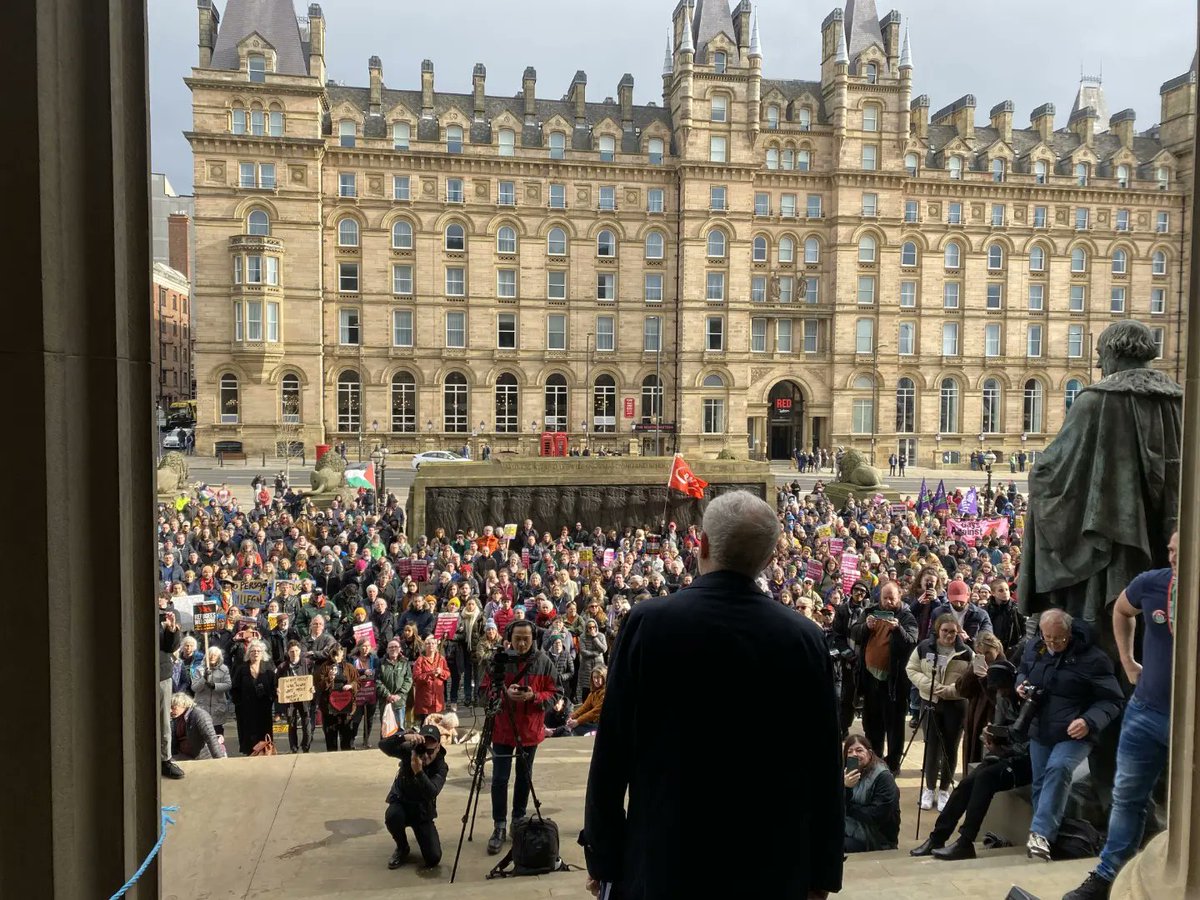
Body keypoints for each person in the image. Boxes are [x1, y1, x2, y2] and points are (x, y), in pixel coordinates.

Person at [584, 491, 843, 898]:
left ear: (701, 544)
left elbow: (612, 751)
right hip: (770, 865)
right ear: (771, 556)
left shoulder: (647, 623)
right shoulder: (805, 637)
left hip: (666, 858)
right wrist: (823, 873)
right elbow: (825, 760)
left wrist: (603, 856)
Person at [1019, 321, 1181, 623]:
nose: (1098, 363)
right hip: (1168, 534)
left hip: (1112, 535)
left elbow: (1053, 473)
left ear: (1114, 352)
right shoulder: (1180, 400)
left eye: (1100, 353)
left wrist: (1038, 473)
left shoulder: (1095, 400)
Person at [1064, 533, 1177, 900]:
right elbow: (1122, 610)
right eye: (1171, 549)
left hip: (1187, 721)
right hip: (1145, 712)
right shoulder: (1152, 583)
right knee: (1127, 795)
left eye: (1181, 550)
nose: (1173, 556)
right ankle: (1108, 874)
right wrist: (1128, 663)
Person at [1016, 609, 1124, 860]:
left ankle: (1041, 832)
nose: (1052, 644)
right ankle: (1045, 838)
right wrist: (1020, 685)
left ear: (1069, 633)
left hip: (1075, 732)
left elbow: (1113, 700)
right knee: (1041, 782)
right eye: (1047, 638)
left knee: (1060, 768)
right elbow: (1022, 670)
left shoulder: (1094, 659)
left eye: (1058, 639)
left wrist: (1088, 721)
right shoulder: (1035, 646)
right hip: (1040, 727)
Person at [910, 658, 1031, 861]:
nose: (1000, 693)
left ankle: (966, 841)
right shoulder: (1002, 697)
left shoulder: (1027, 702)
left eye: (1003, 689)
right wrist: (992, 738)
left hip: (1025, 760)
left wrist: (1006, 745)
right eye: (997, 690)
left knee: (985, 779)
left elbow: (1027, 739)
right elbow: (1000, 728)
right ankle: (937, 837)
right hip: (1005, 755)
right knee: (966, 783)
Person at [484, 619, 561, 856]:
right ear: (509, 638)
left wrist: (534, 697)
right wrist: (502, 693)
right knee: (499, 778)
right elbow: (483, 691)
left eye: (526, 638)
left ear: (533, 639)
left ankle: (518, 818)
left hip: (530, 729)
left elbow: (556, 692)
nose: (521, 642)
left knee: (524, 776)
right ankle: (499, 824)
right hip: (502, 729)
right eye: (517, 638)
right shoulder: (499, 661)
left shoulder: (543, 662)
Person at [906, 613, 974, 811]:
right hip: (931, 702)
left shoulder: (966, 652)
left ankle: (944, 789)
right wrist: (930, 685)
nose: (949, 635)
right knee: (932, 747)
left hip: (956, 704)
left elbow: (971, 680)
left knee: (950, 748)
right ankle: (928, 788)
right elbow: (912, 669)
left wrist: (952, 689)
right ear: (938, 630)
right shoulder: (924, 647)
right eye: (945, 631)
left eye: (953, 631)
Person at [851, 581, 919, 773]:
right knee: (872, 725)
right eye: (885, 598)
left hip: (894, 684)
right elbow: (855, 632)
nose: (888, 602)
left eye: (892, 598)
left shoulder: (907, 617)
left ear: (899, 598)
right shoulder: (870, 611)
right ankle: (874, 761)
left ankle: (893, 765)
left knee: (895, 727)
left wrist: (898, 629)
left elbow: (912, 641)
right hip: (870, 680)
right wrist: (866, 626)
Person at [379, 724, 449, 871]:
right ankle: (402, 847)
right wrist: (404, 736)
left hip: (422, 811)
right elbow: (383, 745)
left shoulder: (441, 766)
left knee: (433, 858)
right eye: (423, 749)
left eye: (431, 751)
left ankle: (420, 837)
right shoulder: (409, 751)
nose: (426, 756)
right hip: (402, 803)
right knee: (392, 815)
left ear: (438, 748)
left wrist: (419, 772)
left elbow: (432, 792)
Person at [843, 734, 900, 853]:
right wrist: (846, 787)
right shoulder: (846, 774)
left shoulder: (883, 777)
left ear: (869, 753)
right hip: (849, 828)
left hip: (875, 838)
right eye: (850, 751)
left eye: (859, 750)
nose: (854, 754)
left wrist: (848, 808)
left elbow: (877, 815)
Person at [230, 639, 277, 756]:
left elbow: (274, 686)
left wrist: (272, 697)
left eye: (258, 651)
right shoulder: (241, 669)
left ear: (262, 653)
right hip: (246, 708)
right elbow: (234, 688)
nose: (256, 653)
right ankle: (250, 752)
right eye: (253, 651)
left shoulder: (268, 669)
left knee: (264, 730)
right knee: (248, 732)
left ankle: (264, 751)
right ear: (248, 653)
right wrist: (238, 703)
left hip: (264, 707)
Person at [315, 643, 359, 751]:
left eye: (337, 654)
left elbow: (358, 682)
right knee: (331, 737)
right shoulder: (324, 667)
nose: (335, 657)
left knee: (346, 737)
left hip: (346, 706)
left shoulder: (349, 667)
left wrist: (351, 685)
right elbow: (319, 685)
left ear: (342, 654)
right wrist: (329, 678)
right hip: (329, 708)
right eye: (333, 654)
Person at [160, 609, 184, 778]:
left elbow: (171, 647)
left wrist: (171, 629)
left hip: (161, 676)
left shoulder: (161, 619)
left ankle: (164, 760)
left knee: (163, 722)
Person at [276, 641, 312, 753]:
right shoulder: (282, 667)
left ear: (300, 651)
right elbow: (276, 682)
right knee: (291, 724)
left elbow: (313, 679)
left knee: (306, 723)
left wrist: (313, 688)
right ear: (288, 652)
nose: (294, 653)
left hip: (304, 698)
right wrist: (277, 689)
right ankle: (293, 747)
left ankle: (306, 746)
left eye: (296, 651)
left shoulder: (308, 663)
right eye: (292, 651)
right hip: (289, 700)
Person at [168, 693, 227, 761]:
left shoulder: (199, 715)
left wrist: (220, 760)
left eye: (173, 707)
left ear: (183, 705)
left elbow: (210, 738)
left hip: (204, 757)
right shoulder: (174, 719)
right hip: (185, 756)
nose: (170, 711)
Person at [190, 646, 232, 737]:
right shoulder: (199, 669)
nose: (212, 657)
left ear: (219, 657)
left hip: (217, 707)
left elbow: (228, 685)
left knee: (218, 735)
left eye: (215, 655)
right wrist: (203, 678)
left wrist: (215, 686)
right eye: (210, 655)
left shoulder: (224, 669)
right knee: (202, 733)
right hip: (202, 706)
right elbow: (194, 688)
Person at [412, 635, 450, 724]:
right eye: (428, 643)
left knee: (438, 726)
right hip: (424, 700)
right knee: (426, 725)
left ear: (436, 645)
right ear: (425, 646)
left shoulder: (441, 659)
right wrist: (430, 674)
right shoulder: (420, 660)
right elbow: (416, 677)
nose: (431, 645)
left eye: (433, 643)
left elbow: (447, 674)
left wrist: (441, 672)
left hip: (437, 700)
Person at [379, 638, 414, 730]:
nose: (393, 649)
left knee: (400, 728)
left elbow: (408, 679)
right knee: (386, 728)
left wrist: (400, 694)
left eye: (395, 647)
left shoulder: (405, 663)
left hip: (400, 700)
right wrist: (388, 695)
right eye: (390, 647)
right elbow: (377, 681)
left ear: (399, 649)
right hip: (385, 701)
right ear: (387, 649)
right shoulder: (381, 663)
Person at [564, 667, 606, 736]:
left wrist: (578, 721)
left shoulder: (605, 693)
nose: (596, 680)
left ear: (604, 678)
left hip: (605, 726)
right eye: (594, 678)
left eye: (598, 677)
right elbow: (584, 708)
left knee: (576, 727)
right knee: (572, 725)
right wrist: (572, 717)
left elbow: (595, 712)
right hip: (595, 724)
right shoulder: (593, 693)